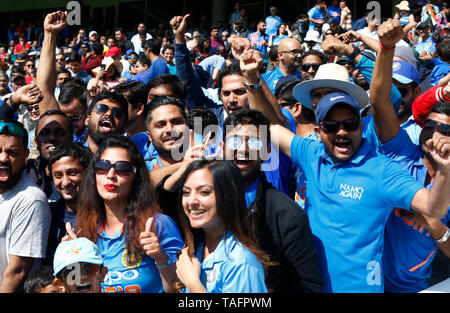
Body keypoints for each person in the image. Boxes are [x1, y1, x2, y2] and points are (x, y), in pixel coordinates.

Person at [243, 47, 450, 293]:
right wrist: (252, 80)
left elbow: (434, 207)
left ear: (361, 126)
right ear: (319, 131)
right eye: (332, 125)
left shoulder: (381, 170)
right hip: (309, 285)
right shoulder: (311, 153)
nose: (341, 131)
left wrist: (446, 170)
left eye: (349, 124)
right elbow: (269, 126)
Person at [369, 17, 450, 293]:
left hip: (413, 288)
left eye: (446, 129)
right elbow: (379, 102)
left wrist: (434, 225)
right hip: (368, 283)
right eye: (430, 125)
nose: (435, 133)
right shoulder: (403, 151)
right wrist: (386, 47)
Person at [71, 135, 184, 293]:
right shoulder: (85, 232)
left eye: (122, 168)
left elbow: (181, 289)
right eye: (102, 166)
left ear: (136, 177)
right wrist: (72, 262)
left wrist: (160, 257)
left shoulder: (157, 224)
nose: (110, 175)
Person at [173, 159, 269, 293]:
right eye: (186, 192)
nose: (191, 201)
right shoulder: (197, 249)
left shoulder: (240, 261)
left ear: (228, 196)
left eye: (204, 192)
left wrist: (194, 284)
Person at [0, 120, 51, 292]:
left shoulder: (31, 200)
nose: (3, 158)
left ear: (26, 156)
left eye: (12, 152)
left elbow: (17, 272)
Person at [45, 142, 93, 266]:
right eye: (58, 175)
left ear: (89, 172)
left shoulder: (107, 213)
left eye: (72, 173)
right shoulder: (48, 214)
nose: (65, 182)